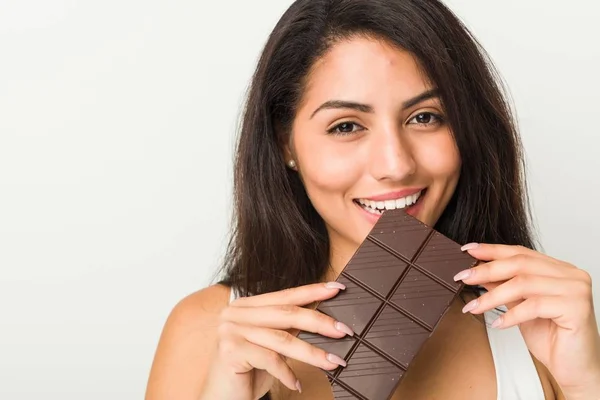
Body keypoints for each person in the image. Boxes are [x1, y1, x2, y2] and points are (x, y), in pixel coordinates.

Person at [144, 0, 600, 399]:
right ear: (286, 144)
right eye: (346, 126)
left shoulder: (539, 330)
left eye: (425, 117)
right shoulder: (207, 334)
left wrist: (587, 385)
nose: (395, 164)